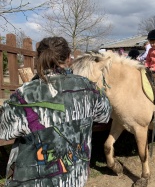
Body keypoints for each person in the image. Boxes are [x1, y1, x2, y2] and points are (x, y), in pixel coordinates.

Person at [0, 37, 112, 187]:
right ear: (68, 58)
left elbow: (3, 129)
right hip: (75, 177)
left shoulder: (24, 95)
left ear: (38, 59)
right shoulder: (88, 87)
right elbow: (105, 115)